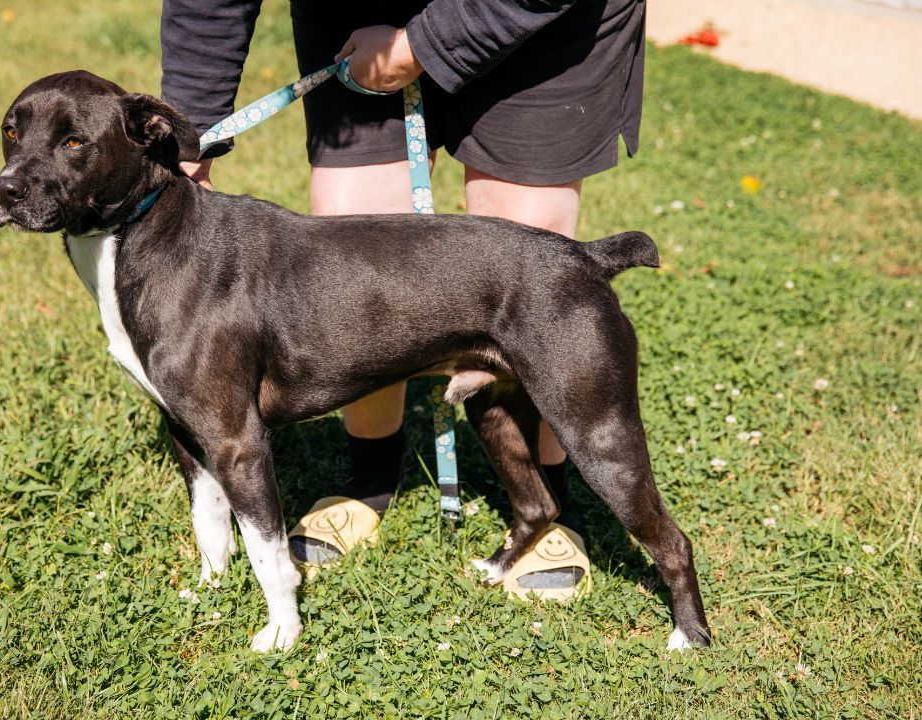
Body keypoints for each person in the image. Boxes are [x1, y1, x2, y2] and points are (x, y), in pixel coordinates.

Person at [160, 0, 646, 599]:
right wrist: (194, 125)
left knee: (524, 252)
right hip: (360, 14)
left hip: (537, 15)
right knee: (351, 247)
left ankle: (547, 501)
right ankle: (368, 477)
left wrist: (421, 46)